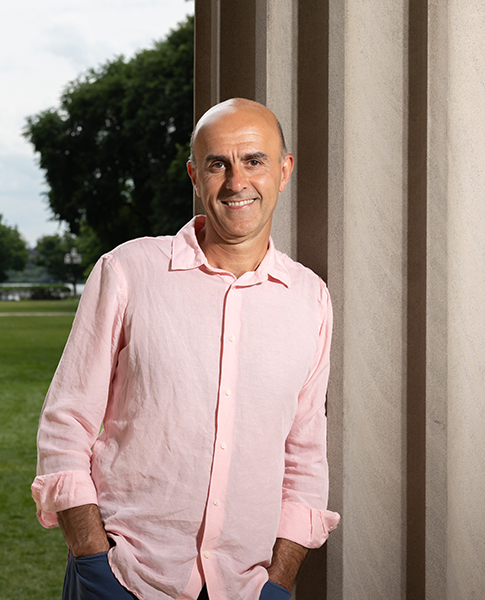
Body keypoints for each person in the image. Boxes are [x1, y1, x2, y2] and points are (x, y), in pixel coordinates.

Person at [32, 99, 339, 600]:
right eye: (219, 164)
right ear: (195, 175)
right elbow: (66, 424)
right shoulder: (128, 271)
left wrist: (279, 582)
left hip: (246, 587)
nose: (237, 182)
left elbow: (304, 455)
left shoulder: (310, 300)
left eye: (254, 161)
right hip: (126, 577)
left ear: (283, 172)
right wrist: (92, 558)